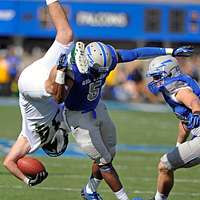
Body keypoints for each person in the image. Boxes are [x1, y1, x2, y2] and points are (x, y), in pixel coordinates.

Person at [60, 40, 193, 200]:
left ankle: (90, 189)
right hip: (78, 116)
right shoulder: (73, 70)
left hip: (96, 106)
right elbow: (57, 96)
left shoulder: (108, 59)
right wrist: (61, 73)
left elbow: (137, 53)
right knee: (104, 161)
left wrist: (170, 51)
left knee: (110, 151)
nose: (103, 72)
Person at [3, 0, 74, 187]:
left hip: (30, 88)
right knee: (66, 35)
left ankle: (61, 69)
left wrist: (27, 180)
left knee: (56, 92)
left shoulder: (31, 142)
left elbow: (8, 162)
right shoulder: (65, 123)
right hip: (41, 74)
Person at [145, 55, 200, 200]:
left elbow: (193, 100)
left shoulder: (178, 89)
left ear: (169, 73)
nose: (154, 81)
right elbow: (184, 123)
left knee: (165, 164)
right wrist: (178, 145)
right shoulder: (174, 86)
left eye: (157, 76)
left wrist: (196, 112)